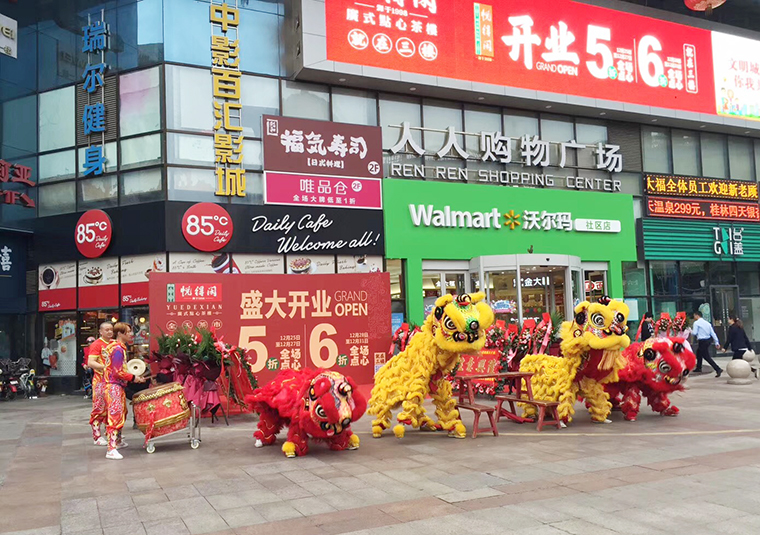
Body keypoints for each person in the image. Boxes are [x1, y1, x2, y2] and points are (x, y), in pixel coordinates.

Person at [102, 323, 146, 460]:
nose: (131, 334)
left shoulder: (116, 347)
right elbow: (117, 372)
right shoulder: (117, 350)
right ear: (120, 334)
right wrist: (134, 377)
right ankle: (111, 449)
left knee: (121, 413)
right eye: (128, 332)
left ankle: (118, 442)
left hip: (115, 385)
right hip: (113, 386)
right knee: (115, 415)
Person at [86, 323, 114, 446]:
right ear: (100, 331)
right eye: (107, 330)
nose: (109, 332)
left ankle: (111, 433)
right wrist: (106, 368)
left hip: (112, 381)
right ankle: (96, 436)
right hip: (100, 381)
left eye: (111, 330)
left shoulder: (114, 343)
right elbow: (91, 362)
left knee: (112, 408)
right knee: (99, 407)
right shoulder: (96, 344)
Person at [692, 311, 723, 377]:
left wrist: (689, 331)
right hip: (708, 340)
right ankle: (699, 367)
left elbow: (694, 333)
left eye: (694, 316)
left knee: (706, 356)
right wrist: (716, 342)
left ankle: (717, 369)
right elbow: (713, 333)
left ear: (697, 315)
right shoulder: (707, 323)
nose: (694, 317)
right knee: (699, 352)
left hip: (702, 341)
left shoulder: (696, 323)